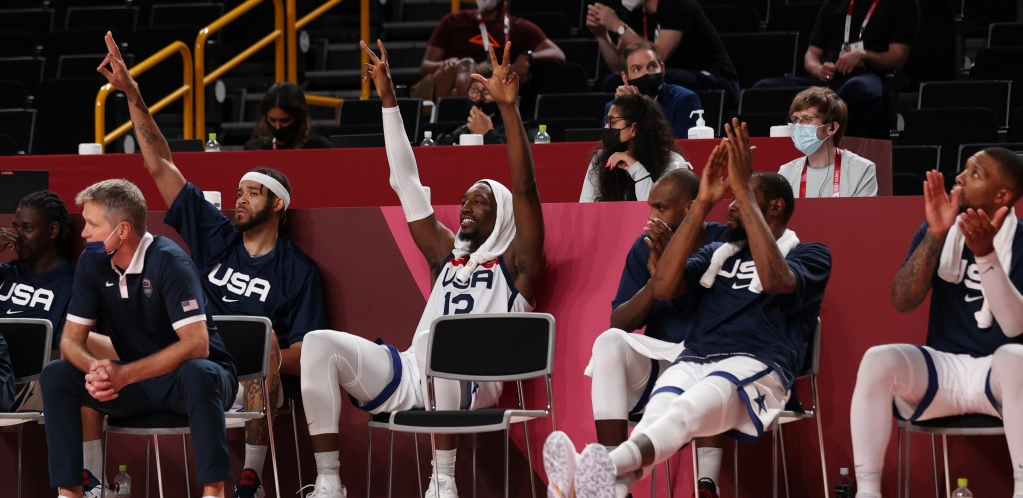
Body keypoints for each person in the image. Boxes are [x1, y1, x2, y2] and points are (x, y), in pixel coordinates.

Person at [298, 39, 545, 498]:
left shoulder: (518, 265)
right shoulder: (446, 254)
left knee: (444, 342)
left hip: (475, 378)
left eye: (480, 202)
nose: (466, 207)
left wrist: (508, 110)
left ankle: (442, 482)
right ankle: (329, 481)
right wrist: (389, 100)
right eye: (465, 199)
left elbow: (526, 188)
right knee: (318, 343)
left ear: (502, 216)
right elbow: (406, 183)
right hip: (415, 371)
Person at [94, 32, 330, 498]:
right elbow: (160, 165)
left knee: (265, 352)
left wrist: (264, 355)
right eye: (238, 192)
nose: (239, 200)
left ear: (278, 205)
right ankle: (91, 482)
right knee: (87, 343)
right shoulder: (216, 235)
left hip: (248, 380)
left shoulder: (299, 270)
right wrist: (133, 94)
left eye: (252, 193)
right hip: (187, 364)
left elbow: (308, 350)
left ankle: (251, 480)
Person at [543, 119, 831, 498]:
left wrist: (741, 190)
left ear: (774, 207)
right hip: (697, 357)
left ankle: (597, 469)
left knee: (683, 410)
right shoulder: (717, 251)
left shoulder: (810, 253)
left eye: (741, 198)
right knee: (660, 411)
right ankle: (611, 485)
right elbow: (663, 287)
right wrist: (704, 204)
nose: (732, 205)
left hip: (754, 362)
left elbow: (776, 278)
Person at [39, 176, 238, 498]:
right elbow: (70, 339)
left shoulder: (170, 261)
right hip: (137, 384)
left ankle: (213, 492)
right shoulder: (92, 263)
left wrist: (124, 374)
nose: (84, 233)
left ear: (122, 230)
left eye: (92, 224)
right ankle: (69, 492)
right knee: (57, 373)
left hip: (195, 383)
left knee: (197, 371)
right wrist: (95, 369)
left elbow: (197, 345)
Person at [849, 148, 1023, 498]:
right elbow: (902, 300)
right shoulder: (941, 231)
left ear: (1002, 196)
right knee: (877, 359)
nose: (959, 178)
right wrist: (935, 233)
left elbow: (1014, 326)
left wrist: (986, 255)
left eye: (975, 173)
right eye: (965, 169)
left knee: (1015, 357)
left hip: (1005, 380)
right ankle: (867, 491)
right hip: (947, 370)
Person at [586, 169, 728, 497]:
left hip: (713, 368)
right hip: (662, 368)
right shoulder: (645, 246)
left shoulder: (724, 241)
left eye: (661, 207)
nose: (651, 217)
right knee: (608, 342)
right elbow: (619, 323)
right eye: (651, 206)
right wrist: (655, 282)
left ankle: (707, 486)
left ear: (691, 207)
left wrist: (673, 273)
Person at [752, 0, 920, 138]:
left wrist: (863, 56)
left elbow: (897, 58)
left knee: (858, 90)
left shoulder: (901, 4)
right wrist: (819, 69)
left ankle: (843, 152)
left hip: (867, 74)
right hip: (828, 78)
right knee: (763, 88)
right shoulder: (833, 4)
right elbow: (811, 54)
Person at [587, 0, 739, 109]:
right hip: (670, 75)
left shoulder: (678, 4)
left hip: (714, 78)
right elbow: (620, 67)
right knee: (612, 82)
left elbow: (660, 54)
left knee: (652, 77)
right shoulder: (635, 14)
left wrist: (618, 26)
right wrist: (602, 35)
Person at [419, 0, 565, 99]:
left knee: (458, 93)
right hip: (449, 79)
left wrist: (527, 56)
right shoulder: (453, 21)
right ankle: (476, 109)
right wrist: (451, 64)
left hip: (487, 86)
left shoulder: (518, 27)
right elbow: (425, 67)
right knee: (466, 64)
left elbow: (557, 53)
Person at [581, 93, 690, 203]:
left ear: (633, 129)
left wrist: (637, 171)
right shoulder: (600, 158)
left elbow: (657, 209)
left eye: (612, 122)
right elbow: (586, 207)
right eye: (607, 121)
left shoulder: (672, 163)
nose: (606, 127)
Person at [775, 87, 877, 198]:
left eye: (807, 119)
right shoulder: (786, 173)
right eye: (795, 120)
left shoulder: (862, 170)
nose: (798, 126)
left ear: (832, 128)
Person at [604, 42, 703, 139]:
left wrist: (640, 108)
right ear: (625, 77)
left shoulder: (685, 100)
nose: (646, 73)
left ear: (662, 69)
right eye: (637, 69)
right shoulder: (613, 108)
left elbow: (679, 147)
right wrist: (625, 109)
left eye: (652, 66)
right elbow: (610, 145)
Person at [244, 82, 332, 150]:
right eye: (272, 120)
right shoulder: (254, 148)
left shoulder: (319, 146)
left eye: (284, 121)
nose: (277, 127)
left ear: (299, 116)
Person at [436, 61, 507, 145]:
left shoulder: (513, 131)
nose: (478, 97)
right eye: (474, 90)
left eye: (487, 92)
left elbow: (511, 153)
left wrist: (488, 134)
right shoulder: (457, 133)